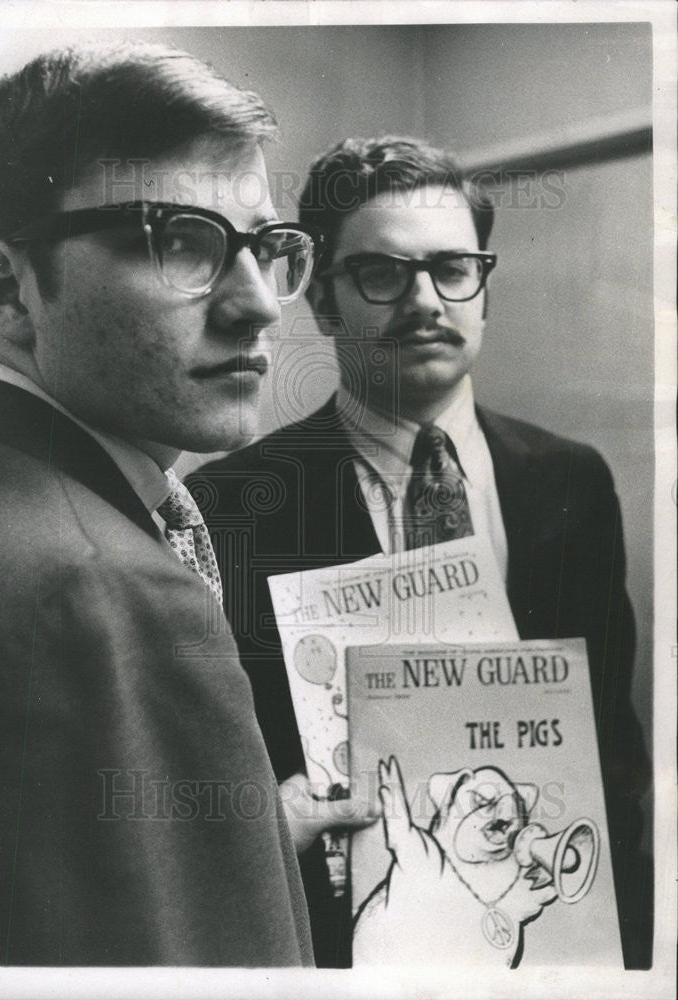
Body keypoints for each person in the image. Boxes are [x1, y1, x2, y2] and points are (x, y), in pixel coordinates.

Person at [191, 136, 653, 968]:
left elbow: (613, 748)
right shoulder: (232, 502)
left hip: (552, 935)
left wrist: (624, 956)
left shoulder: (571, 480)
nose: (424, 302)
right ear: (325, 303)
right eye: (381, 274)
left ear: (483, 288)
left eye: (452, 269)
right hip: (340, 942)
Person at [0, 40, 325, 966]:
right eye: (180, 242)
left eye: (267, 248)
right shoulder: (102, 589)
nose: (256, 304)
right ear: (6, 291)